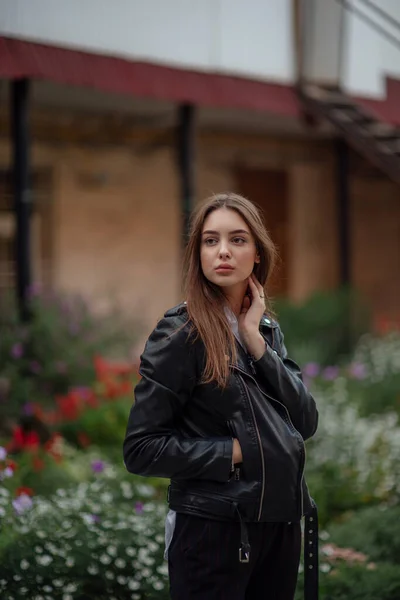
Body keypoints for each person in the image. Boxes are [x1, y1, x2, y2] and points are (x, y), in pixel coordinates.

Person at [123, 192, 319, 600]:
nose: (223, 251)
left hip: (279, 528)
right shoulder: (180, 333)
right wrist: (237, 450)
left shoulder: (263, 329)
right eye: (210, 241)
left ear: (258, 254)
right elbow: (141, 448)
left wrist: (256, 342)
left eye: (238, 239)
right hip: (213, 531)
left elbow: (304, 420)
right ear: (198, 254)